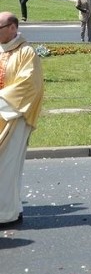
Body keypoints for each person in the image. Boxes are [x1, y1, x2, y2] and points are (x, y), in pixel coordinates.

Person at [0, 13, 44, 229]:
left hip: (15, 116)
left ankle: (6, 214)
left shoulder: (26, 52)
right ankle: (12, 208)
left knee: (7, 166)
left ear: (12, 28)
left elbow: (29, 85)